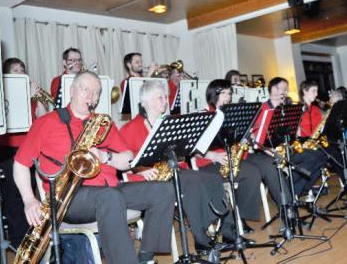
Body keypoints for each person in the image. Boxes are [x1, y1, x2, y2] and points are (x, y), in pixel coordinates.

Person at [14, 71, 175, 264]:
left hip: (109, 189)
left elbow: (129, 159)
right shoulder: (46, 122)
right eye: (85, 89)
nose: (91, 96)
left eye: (96, 92)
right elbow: (20, 163)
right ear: (72, 91)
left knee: (163, 190)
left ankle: (145, 257)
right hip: (67, 197)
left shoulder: (103, 123)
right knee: (110, 197)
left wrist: (105, 156)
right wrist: (29, 200)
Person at [118, 80, 243, 253]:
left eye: (165, 97)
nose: (165, 101)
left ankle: (228, 231)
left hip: (173, 171)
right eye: (160, 97)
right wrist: (142, 169)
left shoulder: (170, 123)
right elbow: (125, 161)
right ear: (145, 102)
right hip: (150, 179)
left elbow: (184, 152)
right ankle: (201, 239)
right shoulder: (129, 128)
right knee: (191, 183)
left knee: (213, 179)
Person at [196, 79, 263, 232]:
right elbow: (195, 150)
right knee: (217, 181)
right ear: (213, 94)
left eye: (229, 93)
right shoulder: (203, 115)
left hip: (228, 159)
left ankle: (241, 217)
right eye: (223, 93)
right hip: (208, 163)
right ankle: (229, 223)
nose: (227, 97)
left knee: (253, 172)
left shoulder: (232, 115)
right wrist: (214, 156)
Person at [0, 58, 48, 247]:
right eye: (15, 70)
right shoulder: (4, 95)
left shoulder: (30, 96)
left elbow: (42, 119)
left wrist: (37, 98)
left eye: (22, 70)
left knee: (34, 192)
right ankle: (18, 241)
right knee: (15, 196)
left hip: (30, 148)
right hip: (9, 149)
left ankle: (34, 236)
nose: (20, 73)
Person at [250, 77, 293, 209]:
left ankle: (292, 193)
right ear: (273, 89)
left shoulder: (286, 108)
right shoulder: (261, 109)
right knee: (273, 166)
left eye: (286, 89)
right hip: (263, 150)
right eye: (283, 89)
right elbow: (253, 137)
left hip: (281, 147)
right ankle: (287, 205)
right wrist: (266, 150)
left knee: (308, 157)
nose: (286, 92)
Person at [291, 81, 328, 198]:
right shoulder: (296, 109)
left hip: (314, 143)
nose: (316, 94)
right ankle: (296, 189)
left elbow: (321, 128)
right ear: (304, 92)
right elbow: (294, 133)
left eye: (317, 91)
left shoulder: (317, 110)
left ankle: (304, 188)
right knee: (314, 156)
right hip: (300, 145)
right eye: (314, 91)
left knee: (325, 156)